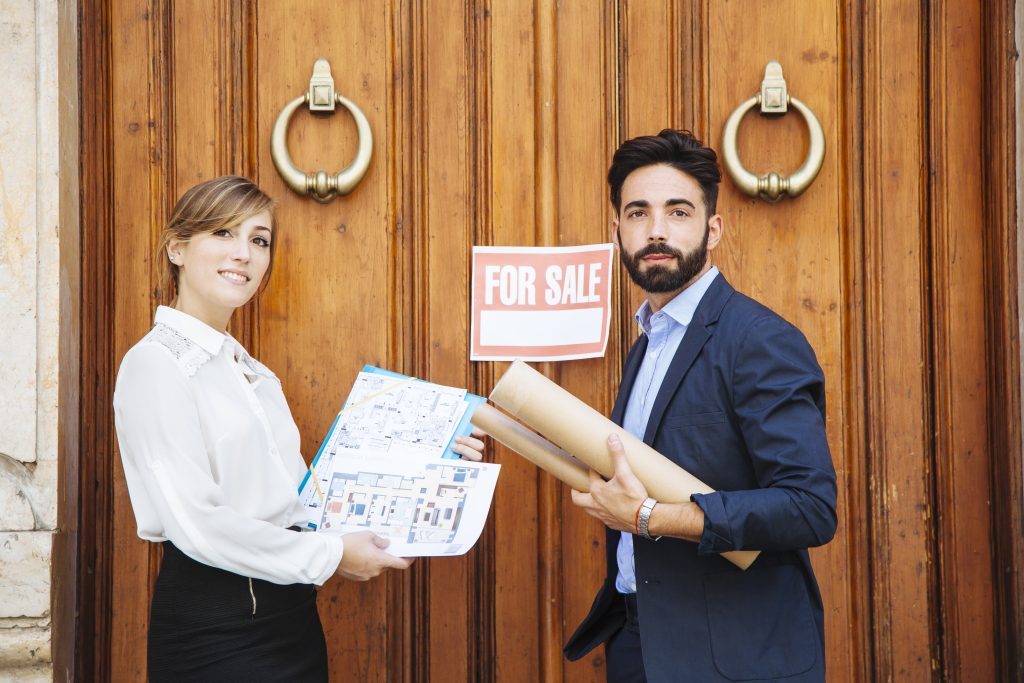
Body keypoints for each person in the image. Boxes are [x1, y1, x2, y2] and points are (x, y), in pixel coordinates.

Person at [113, 176, 485, 681]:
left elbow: (307, 503)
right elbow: (198, 525)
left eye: (259, 239)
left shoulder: (252, 373)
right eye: (223, 233)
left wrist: (431, 470)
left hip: (292, 620)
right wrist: (332, 556)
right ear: (177, 248)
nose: (243, 253)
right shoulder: (155, 364)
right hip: (216, 631)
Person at [564, 131, 837, 682]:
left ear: (712, 229)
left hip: (734, 658)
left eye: (679, 212)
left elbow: (809, 506)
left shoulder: (757, 339)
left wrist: (647, 518)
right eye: (638, 212)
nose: (657, 230)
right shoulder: (649, 340)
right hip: (641, 643)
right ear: (616, 230)